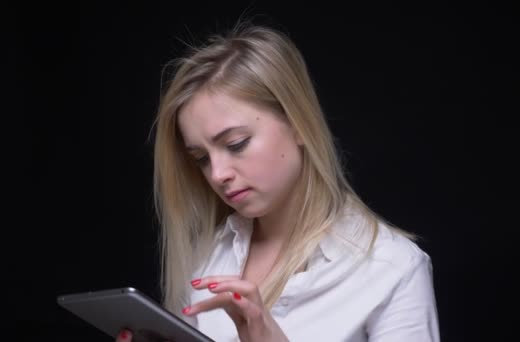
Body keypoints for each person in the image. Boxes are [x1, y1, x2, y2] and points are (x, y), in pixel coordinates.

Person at [116, 22, 440, 342]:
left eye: (236, 144)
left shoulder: (392, 268)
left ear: (299, 122)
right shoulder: (210, 258)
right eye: (201, 158)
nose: (217, 174)